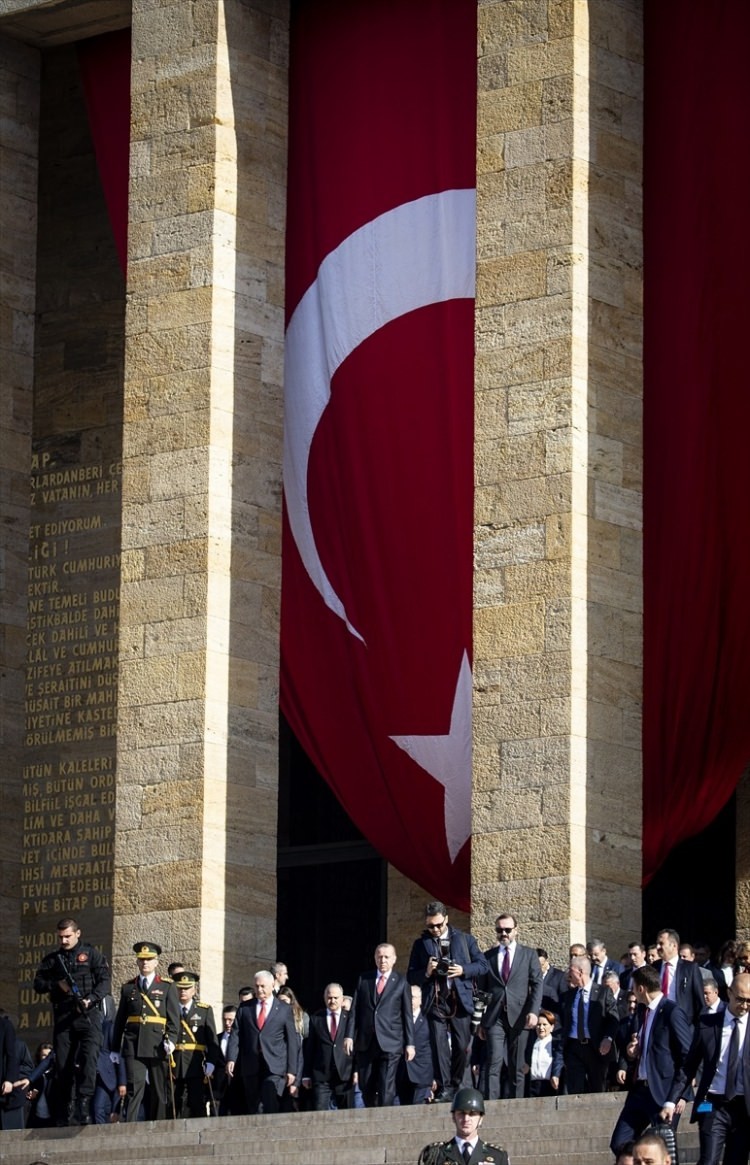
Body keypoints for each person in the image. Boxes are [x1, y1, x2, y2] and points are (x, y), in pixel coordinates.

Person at [32, 916, 110, 1125]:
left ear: (77, 933)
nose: (64, 940)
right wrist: (57, 985)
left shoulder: (92, 955)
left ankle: (83, 1103)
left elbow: (104, 983)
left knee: (88, 1059)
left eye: (68, 936)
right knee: (63, 1064)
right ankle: (66, 1106)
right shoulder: (53, 959)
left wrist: (90, 1000)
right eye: (61, 937)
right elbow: (38, 984)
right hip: (65, 1017)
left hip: (88, 1015)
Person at [407, 900, 487, 1103]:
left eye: (439, 925)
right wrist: (426, 972)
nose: (435, 929)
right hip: (435, 1000)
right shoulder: (421, 944)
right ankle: (444, 1087)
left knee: (462, 1046)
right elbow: (411, 976)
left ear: (447, 920)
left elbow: (483, 965)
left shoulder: (464, 939)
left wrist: (463, 970)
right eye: (430, 926)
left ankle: (457, 1084)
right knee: (439, 1045)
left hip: (460, 999)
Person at [609, 964, 692, 1154]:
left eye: (633, 988)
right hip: (640, 1089)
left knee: (663, 1150)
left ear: (641, 988)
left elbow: (687, 1057)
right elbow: (647, 1047)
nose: (632, 993)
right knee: (620, 1143)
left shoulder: (672, 1011)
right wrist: (633, 1052)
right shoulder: (641, 1011)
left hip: (663, 1092)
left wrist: (676, 1097)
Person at [680, 970, 750, 1165]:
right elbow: (690, 1065)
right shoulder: (708, 1024)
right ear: (729, 993)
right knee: (708, 1160)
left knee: (737, 1160)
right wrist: (673, 1099)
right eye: (741, 999)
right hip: (712, 1103)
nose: (744, 1006)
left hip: (743, 1107)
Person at [112, 940, 180, 1122]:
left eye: (149, 959)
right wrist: (114, 1047)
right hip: (133, 1044)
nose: (145, 963)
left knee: (159, 1088)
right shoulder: (128, 987)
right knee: (134, 1086)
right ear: (137, 961)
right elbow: (120, 1020)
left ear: (157, 962)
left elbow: (174, 1019)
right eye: (142, 959)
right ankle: (131, 1126)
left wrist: (172, 1040)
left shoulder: (167, 986)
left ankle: (158, 1125)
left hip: (157, 1044)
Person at [478, 912, 542, 1099]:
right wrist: (480, 1020)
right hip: (494, 1016)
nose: (503, 933)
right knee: (494, 1062)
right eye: (500, 930)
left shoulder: (528, 955)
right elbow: (481, 990)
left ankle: (517, 1104)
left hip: (520, 1014)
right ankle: (490, 1105)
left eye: (507, 930)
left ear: (516, 930)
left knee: (517, 1063)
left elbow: (537, 984)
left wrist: (533, 1011)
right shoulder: (487, 956)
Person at [345, 942, 415, 1107]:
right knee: (366, 1085)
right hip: (366, 1041)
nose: (382, 960)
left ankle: (384, 1115)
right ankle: (371, 1113)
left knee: (386, 1085)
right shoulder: (364, 979)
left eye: (386, 957)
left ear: (394, 959)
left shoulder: (401, 982)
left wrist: (410, 1043)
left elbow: (407, 1015)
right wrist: (349, 1035)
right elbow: (355, 1010)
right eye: (379, 956)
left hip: (391, 1042)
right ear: (375, 958)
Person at [225, 969, 297, 1114]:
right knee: (254, 1105)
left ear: (272, 985)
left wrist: (291, 1069)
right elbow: (236, 1034)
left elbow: (292, 1040)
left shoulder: (284, 1009)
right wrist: (231, 1058)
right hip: (251, 1063)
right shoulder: (245, 1008)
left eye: (263, 986)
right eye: (257, 986)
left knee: (269, 1098)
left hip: (275, 1064)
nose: (259, 989)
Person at [559, 955, 618, 1093]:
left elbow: (613, 1018)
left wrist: (608, 1038)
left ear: (580, 972)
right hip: (573, 1047)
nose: (568, 973)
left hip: (595, 1048)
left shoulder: (603, 993)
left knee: (597, 1087)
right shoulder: (569, 996)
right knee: (575, 1088)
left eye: (570, 969)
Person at [417, 1087, 509, 1165]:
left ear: (481, 1119)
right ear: (453, 1117)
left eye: (472, 1114)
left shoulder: (498, 1156)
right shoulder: (436, 1155)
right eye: (461, 1113)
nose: (466, 1119)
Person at [172, 970, 220, 1118]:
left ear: (194, 989)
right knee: (175, 1104)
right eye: (180, 988)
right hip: (175, 1065)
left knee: (196, 1103)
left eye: (186, 988)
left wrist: (211, 1062)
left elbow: (212, 1041)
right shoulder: (170, 1010)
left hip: (196, 1063)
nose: (183, 992)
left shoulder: (204, 1010)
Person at [302, 982, 354, 1110]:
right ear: (325, 998)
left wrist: (356, 1070)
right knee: (320, 1113)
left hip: (344, 1073)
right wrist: (306, 1074)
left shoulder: (350, 1019)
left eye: (336, 998)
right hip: (321, 1074)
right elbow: (310, 1049)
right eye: (329, 997)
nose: (332, 1001)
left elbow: (356, 1046)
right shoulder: (316, 1019)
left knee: (347, 1114)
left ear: (342, 999)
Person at [655, 928, 704, 1027]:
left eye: (661, 943)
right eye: (657, 943)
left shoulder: (690, 968)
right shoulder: (654, 967)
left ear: (674, 946)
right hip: (658, 1022)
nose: (657, 947)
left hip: (683, 1024)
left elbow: (699, 1001)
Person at [396, 985, 435, 1105]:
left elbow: (434, 1048)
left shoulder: (429, 1019)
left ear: (420, 1000)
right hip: (402, 1073)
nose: (409, 1000)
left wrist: (435, 1077)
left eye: (412, 997)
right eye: (407, 997)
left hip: (422, 1073)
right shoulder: (397, 1019)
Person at [276, 985, 307, 1110]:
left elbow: (300, 1053)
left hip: (293, 1073)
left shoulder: (301, 1018)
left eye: (284, 1001)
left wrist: (296, 1081)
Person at [522, 1009, 561, 1097]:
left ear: (552, 1027)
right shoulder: (530, 1043)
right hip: (531, 1086)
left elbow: (559, 1062)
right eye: (539, 1025)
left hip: (550, 1085)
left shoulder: (556, 1044)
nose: (541, 1028)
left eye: (544, 1025)